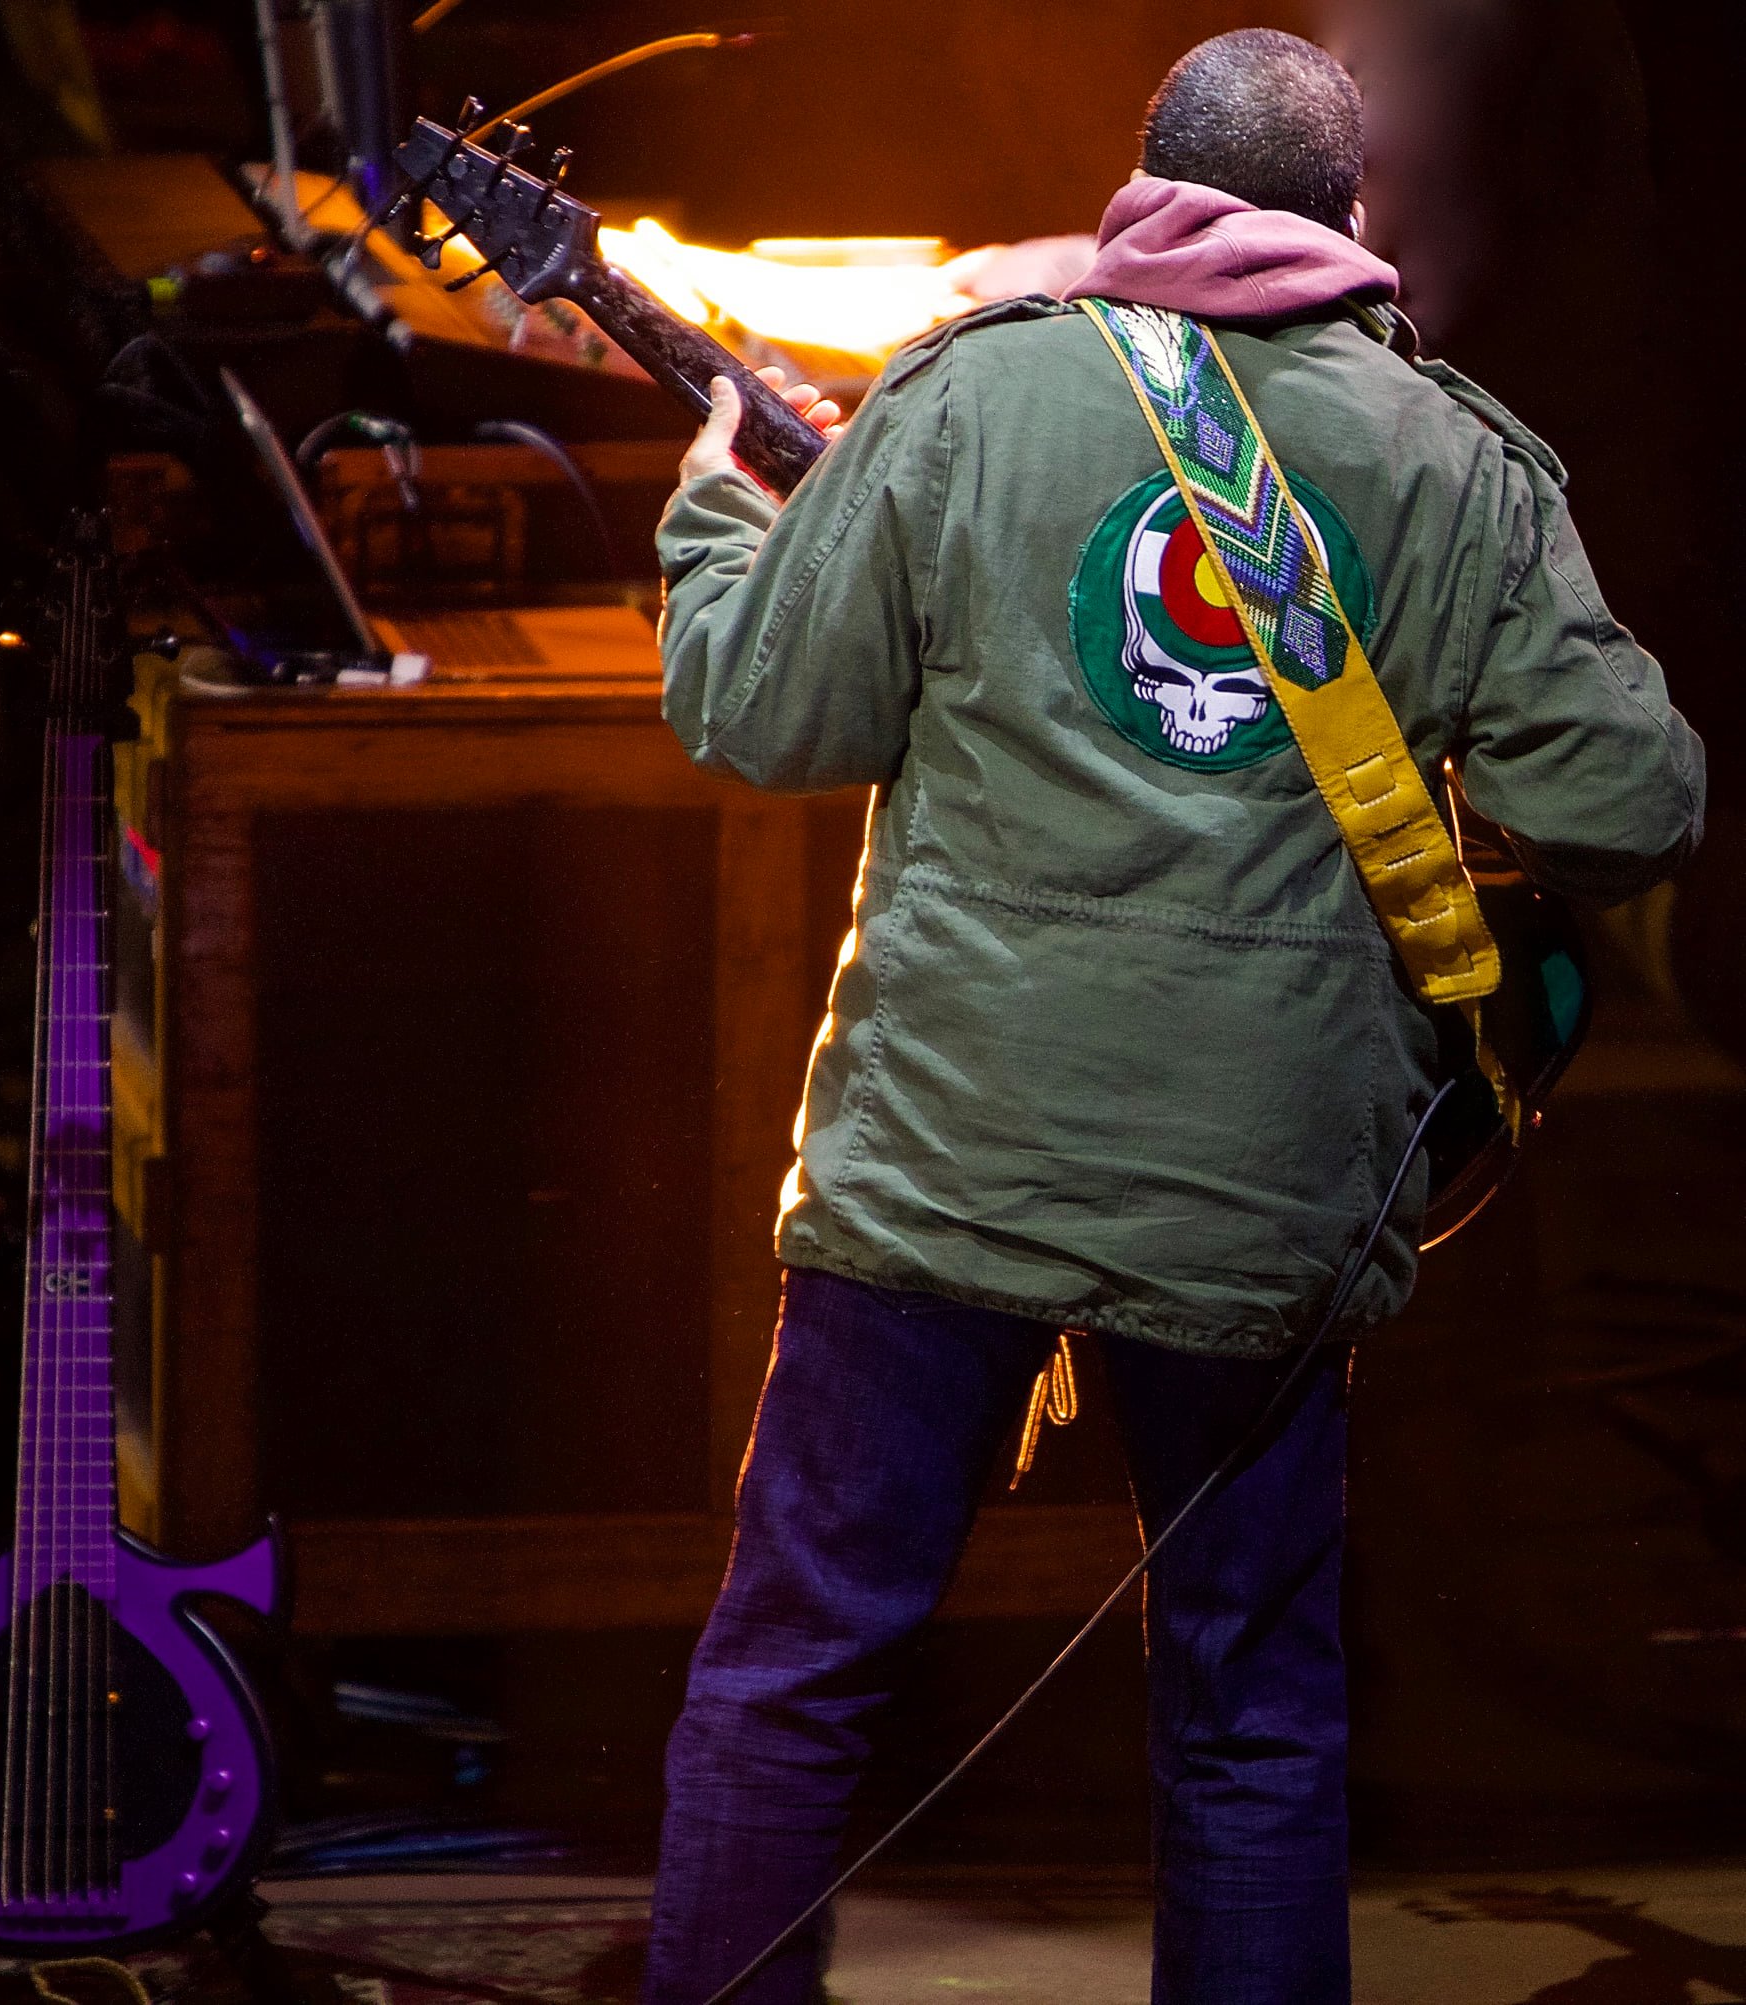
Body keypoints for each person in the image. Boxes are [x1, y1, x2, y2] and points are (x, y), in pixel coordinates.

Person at [640, 28, 1705, 2005]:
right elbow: (1628, 810)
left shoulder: (963, 397)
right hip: (1261, 1198)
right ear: (1348, 217)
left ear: (1142, 187)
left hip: (943, 1165)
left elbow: (759, 708)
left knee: (793, 1676)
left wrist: (716, 511)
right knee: (1249, 1713)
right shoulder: (1453, 457)